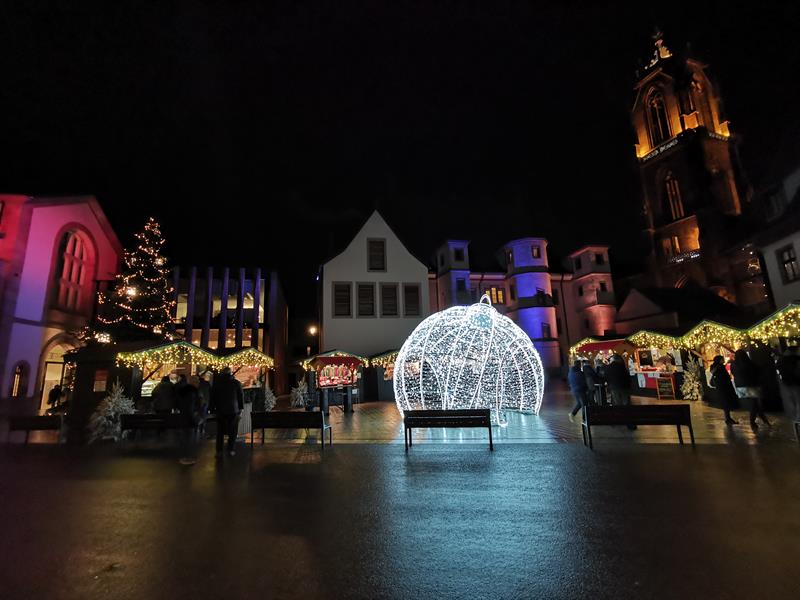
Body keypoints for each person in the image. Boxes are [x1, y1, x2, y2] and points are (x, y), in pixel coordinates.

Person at [730, 348, 770, 429]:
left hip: (740, 387)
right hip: (751, 386)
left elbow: (733, 374)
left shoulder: (733, 365)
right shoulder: (748, 363)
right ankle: (753, 422)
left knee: (754, 405)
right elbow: (757, 371)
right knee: (755, 404)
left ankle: (764, 420)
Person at [210, 367, 244, 457]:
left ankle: (219, 451)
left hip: (220, 410)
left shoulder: (217, 383)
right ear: (230, 373)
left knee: (220, 431)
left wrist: (212, 409)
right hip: (233, 410)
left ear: (222, 373)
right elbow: (240, 396)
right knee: (233, 431)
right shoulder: (236, 383)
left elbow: (212, 397)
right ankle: (231, 449)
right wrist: (241, 408)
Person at [176, 375, 201, 465]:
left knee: (184, 438)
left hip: (183, 417)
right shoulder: (192, 393)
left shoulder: (183, 391)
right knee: (189, 438)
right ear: (194, 383)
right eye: (197, 382)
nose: (198, 384)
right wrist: (195, 418)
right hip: (189, 418)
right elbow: (190, 407)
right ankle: (187, 457)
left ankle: (184, 456)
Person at [709, 355, 738, 425]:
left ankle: (728, 418)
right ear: (719, 360)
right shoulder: (718, 367)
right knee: (726, 402)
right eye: (722, 359)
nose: (723, 360)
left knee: (726, 403)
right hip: (723, 387)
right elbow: (716, 373)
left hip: (722, 387)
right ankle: (728, 419)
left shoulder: (718, 366)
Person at [776, 348, 800, 422]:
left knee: (791, 400)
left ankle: (794, 417)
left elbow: (778, 369)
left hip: (786, 382)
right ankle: (798, 417)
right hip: (796, 382)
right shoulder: (796, 359)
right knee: (798, 399)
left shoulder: (781, 360)